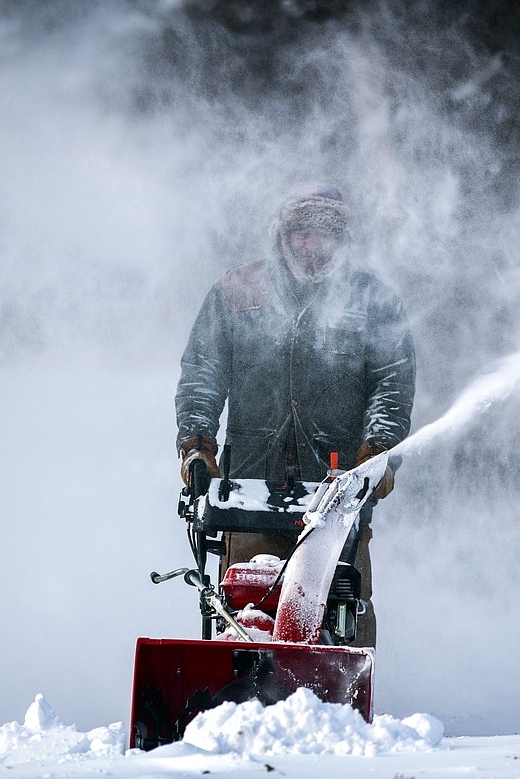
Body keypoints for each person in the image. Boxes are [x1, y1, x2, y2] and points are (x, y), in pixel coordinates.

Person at [174, 183, 416, 647]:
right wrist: (197, 448)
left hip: (338, 490)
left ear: (343, 241)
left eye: (324, 235)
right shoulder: (237, 292)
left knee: (344, 607)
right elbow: (202, 374)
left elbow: (392, 386)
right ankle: (242, 707)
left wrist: (378, 453)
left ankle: (341, 704)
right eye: (302, 234)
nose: (313, 247)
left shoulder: (373, 302)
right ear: (281, 236)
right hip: (247, 490)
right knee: (244, 609)